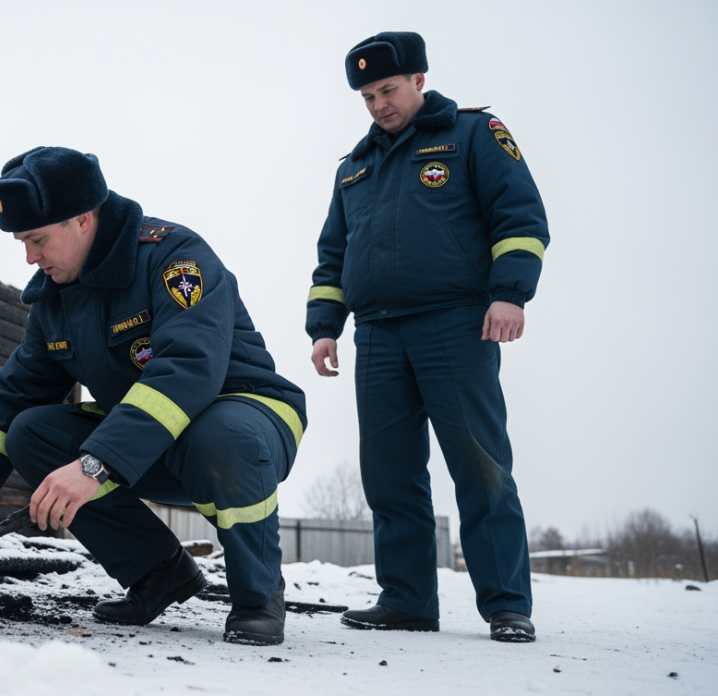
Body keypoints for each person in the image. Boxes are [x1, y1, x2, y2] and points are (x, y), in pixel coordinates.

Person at [0, 146, 307, 646]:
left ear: (83, 219)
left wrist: (94, 465)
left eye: (37, 239)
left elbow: (188, 369)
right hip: (153, 445)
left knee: (219, 435)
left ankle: (258, 594)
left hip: (247, 423)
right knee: (30, 432)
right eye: (22, 242)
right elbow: (14, 394)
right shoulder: (54, 301)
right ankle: (159, 572)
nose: (30, 257)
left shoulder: (174, 257)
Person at [305, 32, 548, 643]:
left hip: (456, 323)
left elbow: (520, 215)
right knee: (389, 474)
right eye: (367, 96)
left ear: (418, 79)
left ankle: (507, 605)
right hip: (377, 335)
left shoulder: (473, 133)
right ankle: (407, 600)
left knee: (481, 465)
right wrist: (324, 328)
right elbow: (333, 254)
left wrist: (509, 293)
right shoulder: (354, 166)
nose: (378, 105)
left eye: (387, 90)